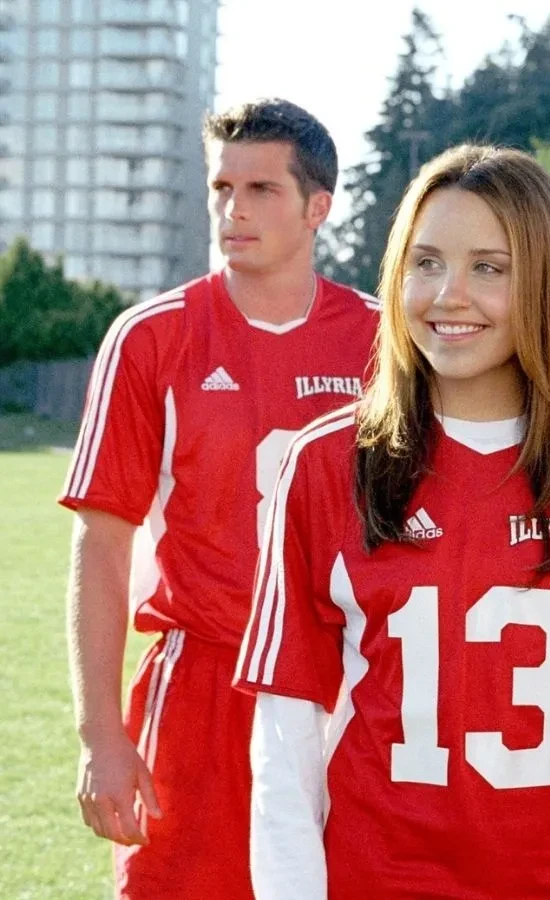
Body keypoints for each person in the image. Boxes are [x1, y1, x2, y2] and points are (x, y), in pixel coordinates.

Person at [233, 145, 550, 898]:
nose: (449, 295)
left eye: (489, 267)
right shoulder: (326, 463)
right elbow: (285, 734)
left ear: (544, 282)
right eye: (425, 263)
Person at [59, 98, 376, 899]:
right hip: (204, 683)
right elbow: (102, 544)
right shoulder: (152, 337)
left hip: (347, 681)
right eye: (222, 188)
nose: (234, 209)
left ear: (317, 208)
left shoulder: (385, 343)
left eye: (261, 189)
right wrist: (101, 735)